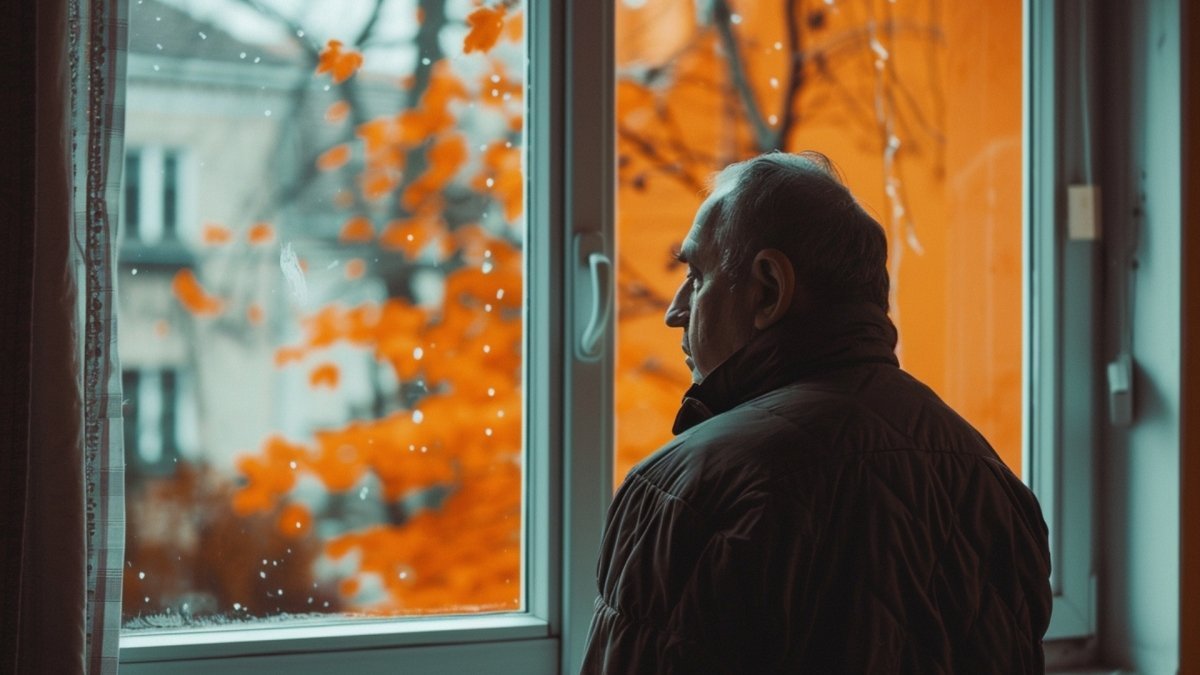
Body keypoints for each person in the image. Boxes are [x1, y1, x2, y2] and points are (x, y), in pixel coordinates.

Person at [581, 152, 1052, 674]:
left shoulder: (688, 493)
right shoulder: (989, 481)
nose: (675, 312)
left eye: (696, 274)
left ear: (769, 290)